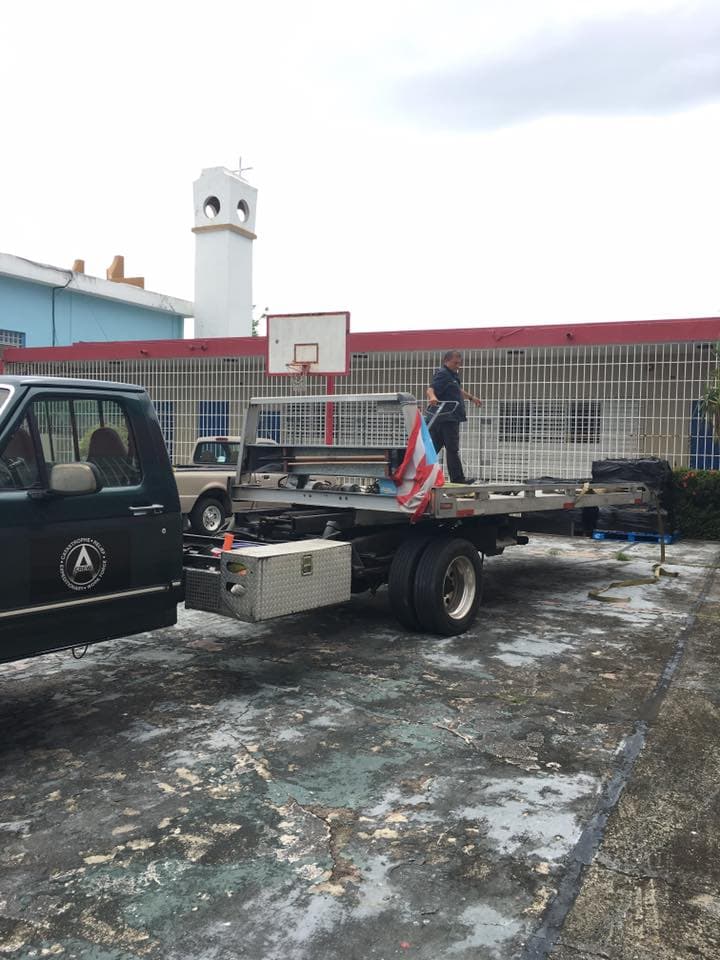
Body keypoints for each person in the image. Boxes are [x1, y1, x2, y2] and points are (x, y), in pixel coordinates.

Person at [426, 349, 481, 484]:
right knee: (452, 449)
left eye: (459, 363)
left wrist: (471, 398)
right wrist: (432, 397)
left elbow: (456, 389)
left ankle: (420, 474)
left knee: (433, 448)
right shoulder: (443, 374)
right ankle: (458, 479)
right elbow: (430, 388)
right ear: (447, 361)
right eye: (455, 363)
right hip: (447, 417)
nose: (458, 366)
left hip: (444, 418)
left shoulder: (452, 375)